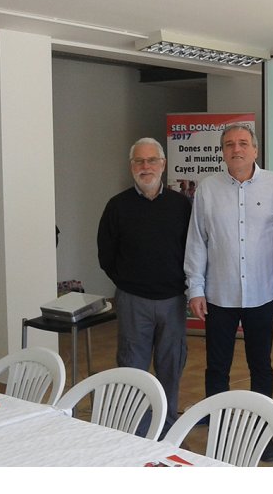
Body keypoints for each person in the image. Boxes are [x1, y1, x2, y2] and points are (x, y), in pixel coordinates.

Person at [184, 123, 273, 459]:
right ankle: (220, 432)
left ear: (255, 150)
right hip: (219, 293)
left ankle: (264, 434)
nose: (236, 149)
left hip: (261, 292)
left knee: (261, 365)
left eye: (243, 143)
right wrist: (195, 289)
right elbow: (197, 241)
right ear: (222, 151)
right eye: (229, 144)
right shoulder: (208, 188)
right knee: (217, 366)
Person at [97, 137, 192, 438]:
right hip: (132, 300)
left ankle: (167, 430)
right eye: (140, 161)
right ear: (131, 167)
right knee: (131, 368)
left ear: (163, 165)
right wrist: (129, 281)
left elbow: (193, 250)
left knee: (170, 367)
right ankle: (133, 432)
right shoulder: (117, 206)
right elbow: (106, 255)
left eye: (152, 160)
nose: (146, 166)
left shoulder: (181, 205)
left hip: (173, 301)